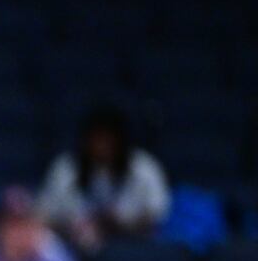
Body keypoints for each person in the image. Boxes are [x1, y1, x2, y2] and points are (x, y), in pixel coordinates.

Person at [39, 103, 171, 251]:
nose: (102, 147)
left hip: (134, 249)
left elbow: (159, 216)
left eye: (108, 140)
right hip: (74, 250)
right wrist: (73, 226)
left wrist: (120, 224)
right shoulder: (65, 168)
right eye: (97, 139)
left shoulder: (144, 167)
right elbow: (44, 218)